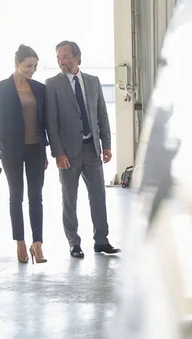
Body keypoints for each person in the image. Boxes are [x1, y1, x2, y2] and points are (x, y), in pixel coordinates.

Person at [45, 40, 120, 258]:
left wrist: (106, 145)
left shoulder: (93, 82)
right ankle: (73, 243)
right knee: (70, 198)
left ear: (78, 57)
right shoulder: (53, 84)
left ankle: (101, 241)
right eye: (58, 57)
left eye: (66, 56)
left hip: (92, 149)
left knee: (98, 196)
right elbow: (51, 122)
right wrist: (58, 152)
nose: (62, 61)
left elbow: (101, 116)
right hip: (68, 153)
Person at [0, 44, 49, 264]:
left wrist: (47, 150)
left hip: (35, 149)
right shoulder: (1, 88)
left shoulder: (39, 88)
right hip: (12, 151)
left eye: (35, 66)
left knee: (36, 197)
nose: (32, 70)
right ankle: (20, 243)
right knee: (16, 197)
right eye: (28, 66)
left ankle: (38, 244)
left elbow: (45, 122)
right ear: (16, 63)